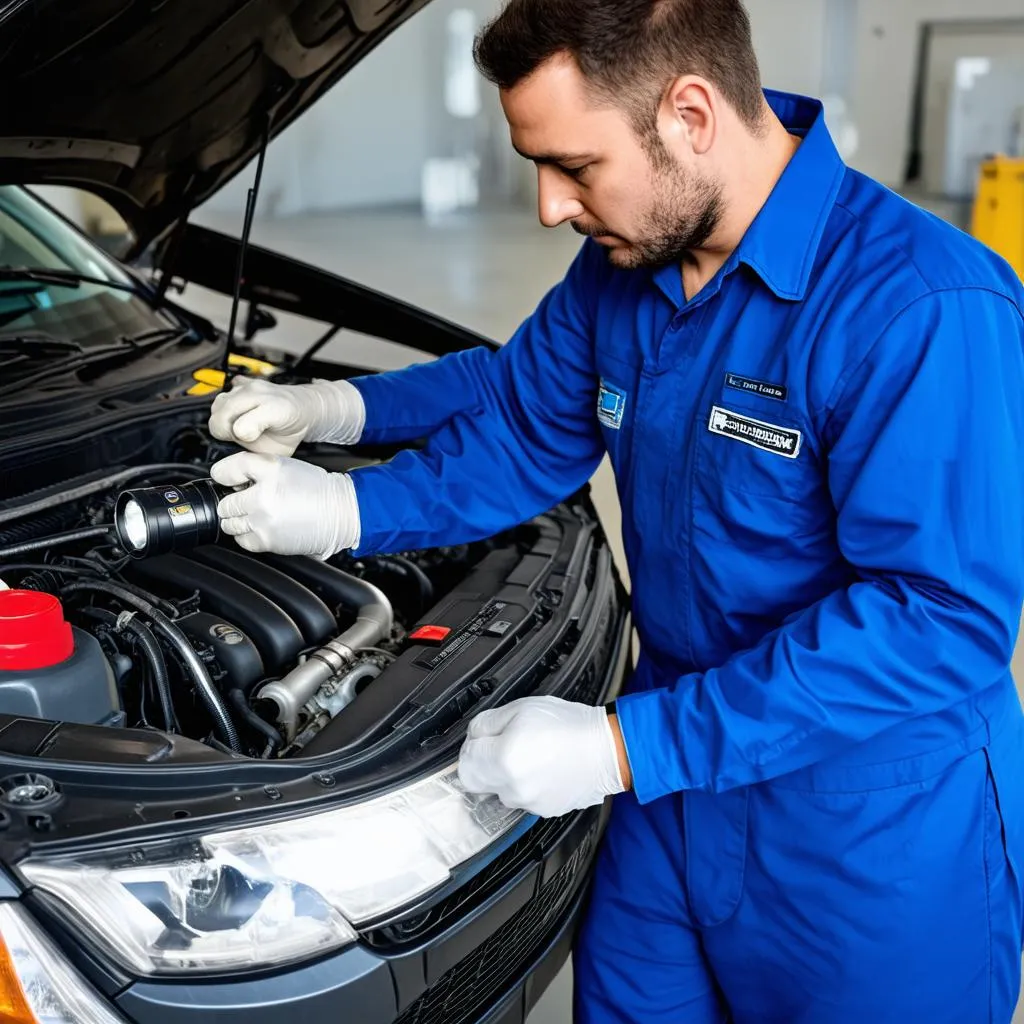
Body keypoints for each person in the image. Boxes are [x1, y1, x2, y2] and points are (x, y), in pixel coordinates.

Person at [206, 0, 1024, 1019]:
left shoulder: (918, 305)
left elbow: (937, 619)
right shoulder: (620, 273)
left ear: (689, 113)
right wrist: (340, 507)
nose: (549, 207)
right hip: (667, 787)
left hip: (864, 821)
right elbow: (516, 426)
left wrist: (618, 748)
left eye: (574, 167)